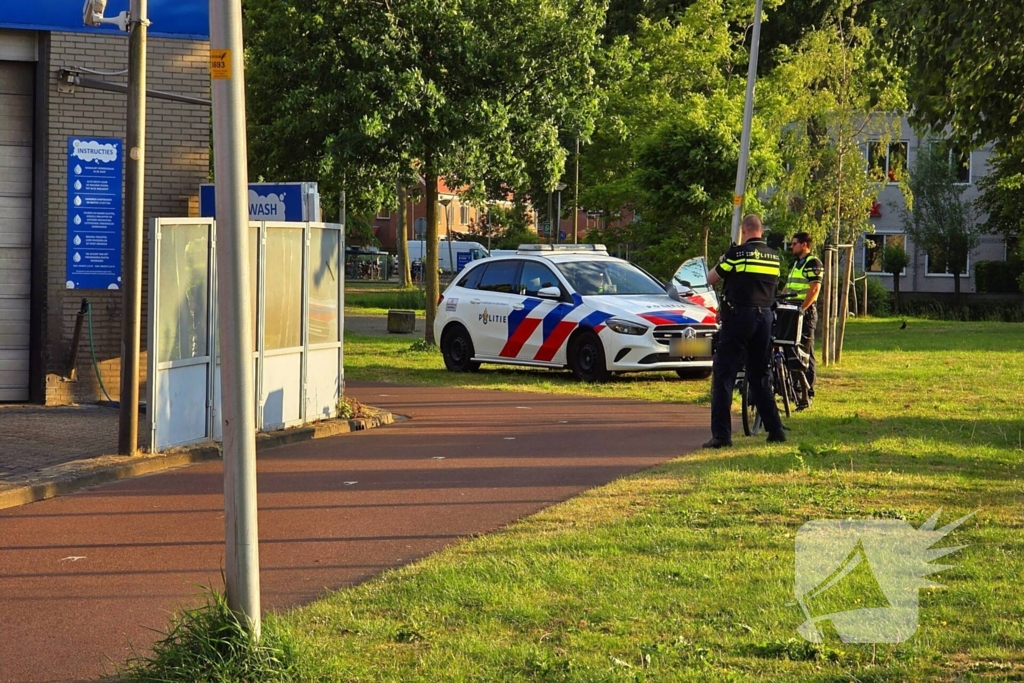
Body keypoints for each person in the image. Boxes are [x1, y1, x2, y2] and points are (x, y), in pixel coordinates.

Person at [703, 214, 786, 448]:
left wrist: (721, 259)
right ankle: (775, 429)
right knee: (760, 375)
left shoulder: (736, 254)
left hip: (740, 317)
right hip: (765, 319)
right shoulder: (774, 256)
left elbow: (711, 279)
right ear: (761, 230)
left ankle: (721, 436)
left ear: (744, 230)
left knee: (724, 374)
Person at [783, 231, 823, 409]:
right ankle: (795, 390)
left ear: (804, 244)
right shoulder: (796, 264)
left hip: (803, 312)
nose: (791, 247)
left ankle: (808, 392)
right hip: (791, 310)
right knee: (791, 350)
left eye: (794, 244)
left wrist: (802, 309)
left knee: (805, 353)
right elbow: (788, 287)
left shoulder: (812, 263)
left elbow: (814, 290)